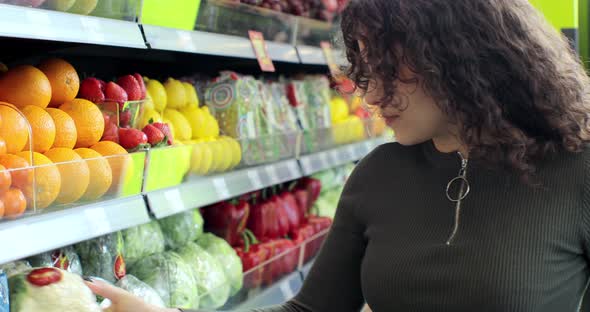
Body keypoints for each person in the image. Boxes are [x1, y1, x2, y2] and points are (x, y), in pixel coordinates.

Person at [86, 0, 590, 311]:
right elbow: (310, 311)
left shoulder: (575, 169)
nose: (369, 99)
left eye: (383, 73)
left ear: (453, 58)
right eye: (364, 77)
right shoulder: (379, 175)